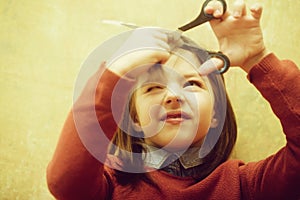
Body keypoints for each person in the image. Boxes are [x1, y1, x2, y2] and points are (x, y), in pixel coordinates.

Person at [46, 0, 300, 199]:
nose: (173, 96)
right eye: (154, 88)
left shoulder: (246, 186)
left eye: (192, 83)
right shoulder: (111, 185)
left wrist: (258, 60)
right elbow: (64, 184)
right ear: (134, 120)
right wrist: (117, 73)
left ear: (215, 116)